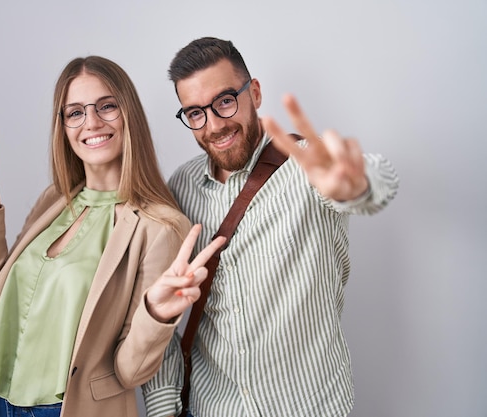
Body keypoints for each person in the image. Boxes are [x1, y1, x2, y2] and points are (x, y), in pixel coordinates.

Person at [0, 55, 226, 417]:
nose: (92, 122)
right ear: (63, 126)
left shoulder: (160, 225)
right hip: (0, 404)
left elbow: (131, 371)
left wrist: (156, 313)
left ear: (129, 114)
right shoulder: (54, 200)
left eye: (107, 106)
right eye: (75, 112)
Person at [142, 37, 400, 417]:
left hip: (309, 407)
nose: (213, 124)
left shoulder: (310, 166)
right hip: (212, 408)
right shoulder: (179, 187)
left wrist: (357, 187)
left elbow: (379, 180)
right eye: (195, 113)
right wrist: (164, 409)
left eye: (225, 100)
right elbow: (162, 307)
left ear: (255, 93)